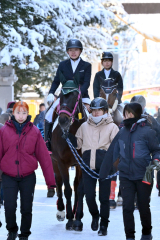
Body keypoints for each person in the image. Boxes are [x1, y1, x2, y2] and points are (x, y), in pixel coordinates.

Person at [103, 102, 160, 240]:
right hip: (125, 176)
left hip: (144, 175)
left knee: (143, 207)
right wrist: (102, 172)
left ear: (132, 114)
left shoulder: (147, 131)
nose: (124, 116)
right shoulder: (122, 132)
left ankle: (146, 233)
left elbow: (157, 151)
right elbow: (112, 153)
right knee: (127, 208)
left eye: (127, 113)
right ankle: (130, 236)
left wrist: (153, 167)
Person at [0, 101, 56, 240]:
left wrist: (51, 182)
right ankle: (12, 230)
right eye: (18, 113)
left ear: (27, 114)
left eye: (24, 113)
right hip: (8, 175)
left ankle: (24, 234)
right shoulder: (3, 131)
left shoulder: (34, 132)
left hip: (28, 177)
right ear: (13, 113)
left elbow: (44, 157)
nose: (21, 116)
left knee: (26, 208)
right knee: (10, 207)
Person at [68, 97, 119, 236]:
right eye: (94, 111)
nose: (96, 114)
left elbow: (117, 147)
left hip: (105, 168)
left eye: (99, 111)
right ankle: (95, 215)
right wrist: (69, 136)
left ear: (105, 111)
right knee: (89, 195)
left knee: (104, 198)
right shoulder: (84, 126)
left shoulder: (112, 127)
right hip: (87, 167)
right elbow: (78, 144)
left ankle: (103, 225)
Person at [45, 38, 92, 151]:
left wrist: (79, 92)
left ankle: (92, 143)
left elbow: (86, 82)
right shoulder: (62, 65)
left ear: (80, 51)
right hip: (65, 96)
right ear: (67, 51)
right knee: (48, 114)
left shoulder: (86, 65)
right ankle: (47, 141)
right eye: (71, 50)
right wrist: (51, 92)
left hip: (82, 95)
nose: (73, 52)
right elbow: (56, 80)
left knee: (92, 117)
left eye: (76, 50)